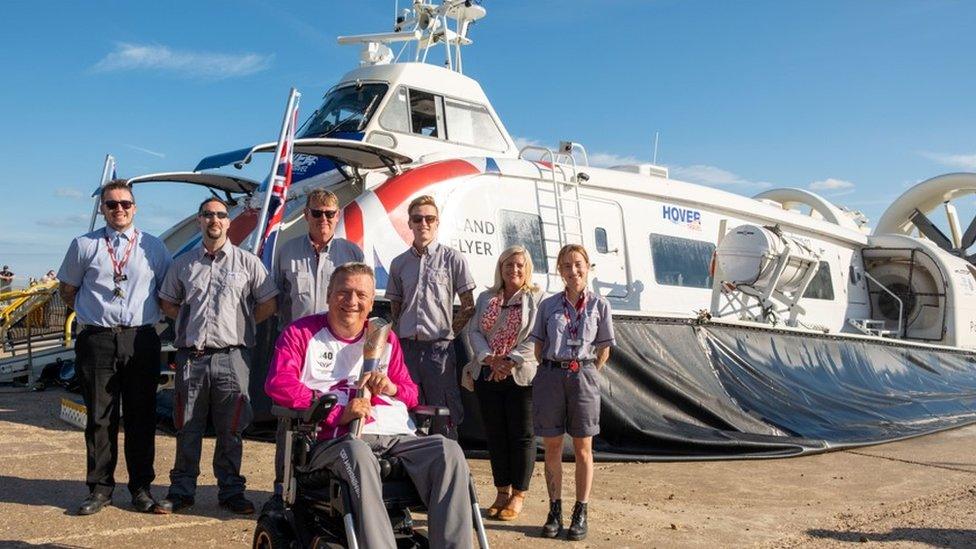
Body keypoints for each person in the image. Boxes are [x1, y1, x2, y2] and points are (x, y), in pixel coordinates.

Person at [266, 262, 474, 549]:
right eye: (344, 292)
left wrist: (391, 387)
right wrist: (338, 414)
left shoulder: (383, 337)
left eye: (361, 295)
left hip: (396, 436)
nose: (352, 302)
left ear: (371, 302)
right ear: (329, 295)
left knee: (448, 451)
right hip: (335, 440)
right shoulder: (301, 333)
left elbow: (411, 395)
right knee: (358, 453)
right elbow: (279, 384)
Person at [155, 197, 278, 515]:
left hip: (232, 358)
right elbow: (168, 302)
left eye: (221, 215)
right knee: (187, 426)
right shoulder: (183, 265)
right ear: (199, 220)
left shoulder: (248, 263)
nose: (215, 220)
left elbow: (267, 303)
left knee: (232, 429)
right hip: (191, 358)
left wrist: (243, 327)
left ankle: (231, 492)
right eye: (208, 215)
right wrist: (186, 323)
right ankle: (182, 491)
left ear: (228, 221)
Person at [56, 179, 172, 515]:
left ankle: (140, 488)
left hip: (140, 339)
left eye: (124, 203)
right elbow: (68, 289)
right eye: (111, 204)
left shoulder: (154, 246)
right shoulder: (84, 245)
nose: (118, 209)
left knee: (141, 416)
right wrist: (93, 316)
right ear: (102, 208)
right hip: (98, 339)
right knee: (99, 417)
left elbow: (166, 292)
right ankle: (100, 489)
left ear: (135, 208)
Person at [269, 188, 363, 507]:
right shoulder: (286, 251)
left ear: (337, 217)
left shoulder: (352, 253)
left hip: (338, 351)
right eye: (317, 213)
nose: (323, 219)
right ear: (306, 214)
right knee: (291, 420)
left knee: (337, 414)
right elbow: (277, 298)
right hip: (298, 348)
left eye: (330, 214)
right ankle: (284, 487)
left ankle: (329, 486)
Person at [530, 244, 615, 541]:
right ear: (559, 271)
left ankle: (581, 511)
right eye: (566, 266)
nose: (573, 270)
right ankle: (555, 510)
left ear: (588, 266)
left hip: (584, 377)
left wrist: (588, 372)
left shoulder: (600, 306)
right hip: (552, 375)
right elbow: (539, 346)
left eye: (578, 264)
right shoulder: (548, 305)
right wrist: (556, 367)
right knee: (552, 447)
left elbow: (604, 348)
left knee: (582, 449)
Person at [462, 245, 542, 521]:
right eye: (509, 265)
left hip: (520, 376)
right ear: (501, 268)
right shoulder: (487, 297)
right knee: (495, 435)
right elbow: (474, 331)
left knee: (521, 436)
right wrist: (490, 359)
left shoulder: (537, 298)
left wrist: (509, 361)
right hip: (488, 372)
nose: (514, 270)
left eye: (520, 265)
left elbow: (537, 336)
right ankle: (501, 491)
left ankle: (518, 495)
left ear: (527, 268)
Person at [386, 195, 476, 438]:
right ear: (410, 223)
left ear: (437, 223)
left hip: (439, 351)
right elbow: (396, 306)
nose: (423, 223)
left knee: (443, 412)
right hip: (407, 350)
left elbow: (468, 306)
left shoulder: (453, 259)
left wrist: (448, 335)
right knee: (405, 408)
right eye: (417, 218)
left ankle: (447, 465)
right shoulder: (399, 264)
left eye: (429, 218)